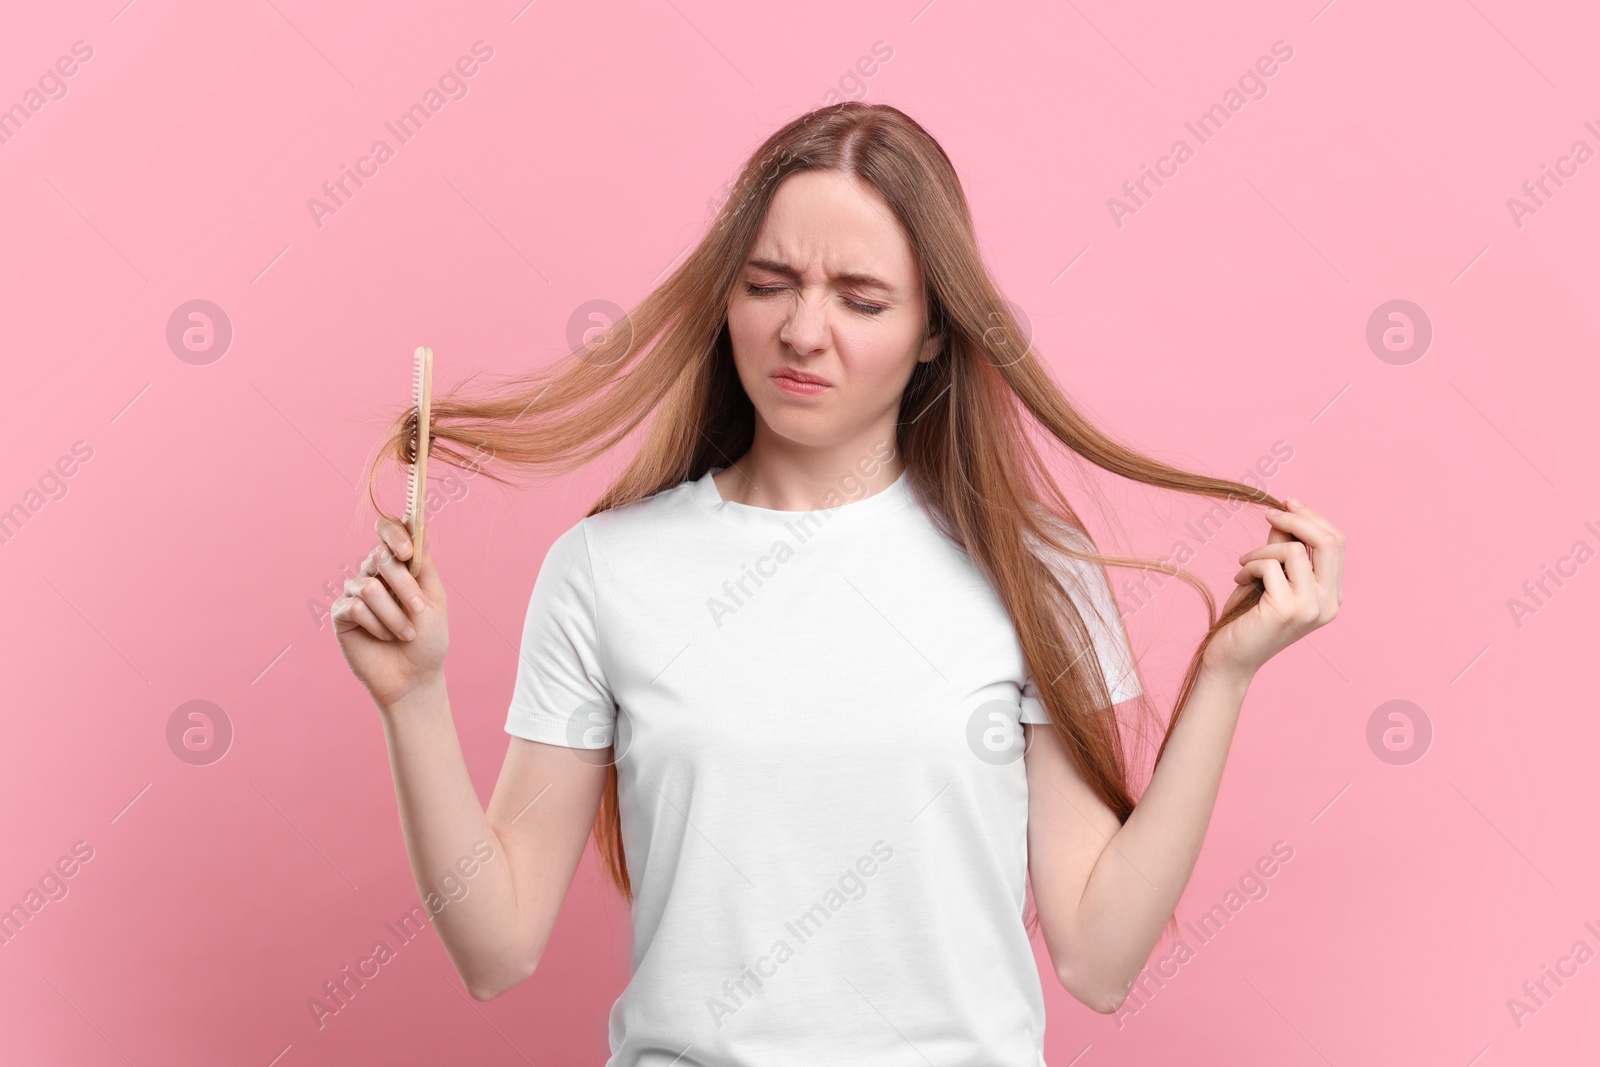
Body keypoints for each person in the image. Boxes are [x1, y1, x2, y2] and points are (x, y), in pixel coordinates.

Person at [332, 102, 1345, 1065]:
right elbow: (496, 945)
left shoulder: (1035, 571)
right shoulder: (606, 570)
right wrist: (413, 700)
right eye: (768, 282)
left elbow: (1099, 955)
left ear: (935, 329)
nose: (802, 331)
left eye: (860, 299)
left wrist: (1224, 676)